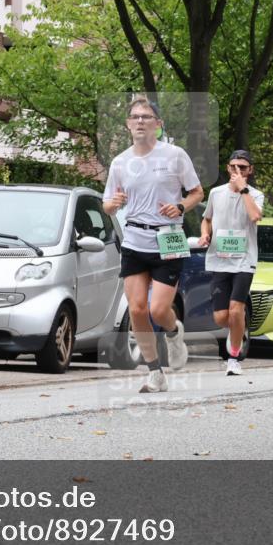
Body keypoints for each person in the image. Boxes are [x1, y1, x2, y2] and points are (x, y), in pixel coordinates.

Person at [103, 97, 204, 393]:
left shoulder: (174, 156)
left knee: (159, 309)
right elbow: (107, 204)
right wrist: (114, 203)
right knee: (136, 309)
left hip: (168, 237)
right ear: (127, 124)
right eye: (135, 117)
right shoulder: (120, 162)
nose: (140, 121)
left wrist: (181, 207)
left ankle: (173, 332)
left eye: (146, 117)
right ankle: (154, 372)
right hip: (135, 238)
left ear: (158, 125)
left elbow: (197, 192)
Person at [199, 150, 264, 376]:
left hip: (244, 261)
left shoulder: (255, 194)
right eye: (234, 167)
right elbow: (206, 219)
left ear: (250, 170)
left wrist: (243, 189)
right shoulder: (216, 193)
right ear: (228, 168)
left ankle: (233, 359)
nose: (237, 171)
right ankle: (239, 327)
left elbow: (255, 216)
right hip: (219, 260)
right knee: (221, 317)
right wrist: (205, 235)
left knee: (236, 310)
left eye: (243, 168)